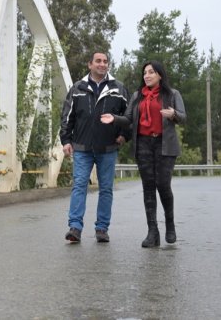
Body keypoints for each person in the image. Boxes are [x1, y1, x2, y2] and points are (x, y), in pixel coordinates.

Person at [101, 60, 186, 248]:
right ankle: (152, 232)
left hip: (165, 145)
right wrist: (114, 118)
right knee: (148, 187)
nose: (146, 75)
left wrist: (173, 114)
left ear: (160, 75)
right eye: (145, 73)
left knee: (163, 185)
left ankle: (170, 225)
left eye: (151, 72)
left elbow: (183, 116)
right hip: (143, 144)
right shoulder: (137, 96)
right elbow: (129, 119)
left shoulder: (172, 94)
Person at [60, 51, 129, 243]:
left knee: (106, 189)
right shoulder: (77, 88)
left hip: (108, 148)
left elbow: (129, 117)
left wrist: (124, 135)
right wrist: (65, 140)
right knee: (79, 185)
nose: (102, 64)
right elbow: (67, 117)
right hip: (82, 148)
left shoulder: (119, 89)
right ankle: (75, 227)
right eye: (98, 61)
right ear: (90, 64)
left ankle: (102, 229)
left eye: (105, 61)